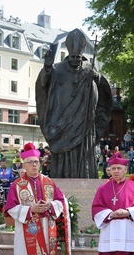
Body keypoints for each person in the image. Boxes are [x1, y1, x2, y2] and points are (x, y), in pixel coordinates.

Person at [36, 28, 112, 178]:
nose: (76, 60)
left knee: (84, 159)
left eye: (79, 57)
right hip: (62, 122)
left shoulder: (89, 68)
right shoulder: (57, 69)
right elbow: (43, 85)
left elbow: (103, 91)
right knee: (64, 156)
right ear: (68, 55)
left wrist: (97, 77)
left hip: (85, 123)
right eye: (73, 56)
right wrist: (47, 68)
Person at [4, 143, 66, 255]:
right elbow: (9, 209)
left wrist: (50, 205)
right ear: (23, 165)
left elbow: (61, 201)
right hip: (27, 234)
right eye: (30, 162)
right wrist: (30, 209)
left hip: (46, 232)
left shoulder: (49, 182)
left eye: (36, 162)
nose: (34, 165)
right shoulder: (16, 185)